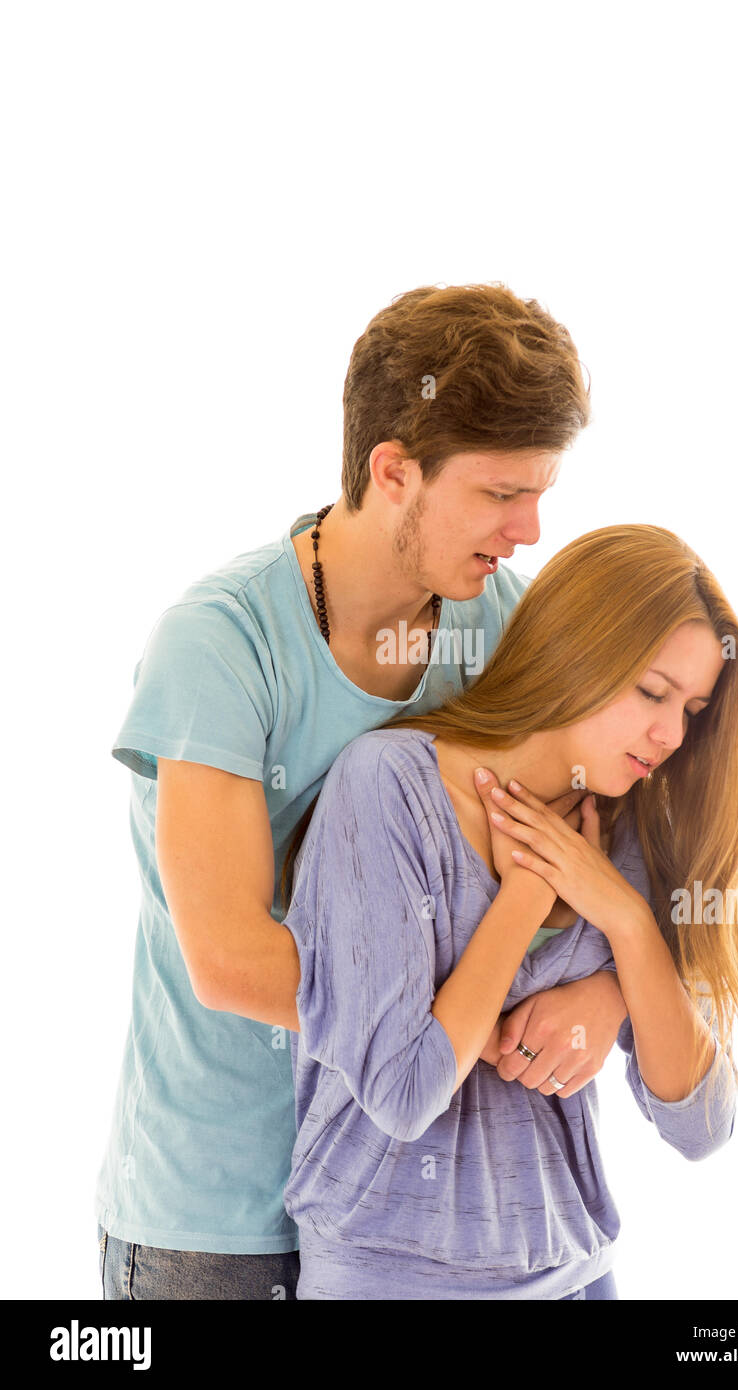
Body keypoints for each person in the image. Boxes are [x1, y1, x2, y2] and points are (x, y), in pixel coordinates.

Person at [95, 281, 624, 1300]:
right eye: (502, 494)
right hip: (220, 1227)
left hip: (406, 1226)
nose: (530, 529)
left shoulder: (504, 631)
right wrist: (434, 1031)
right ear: (393, 471)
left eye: (542, 492)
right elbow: (234, 962)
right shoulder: (220, 644)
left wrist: (605, 996)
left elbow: (600, 871)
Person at [280, 523, 738, 1300]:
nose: (671, 735)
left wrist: (627, 931)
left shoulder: (630, 830)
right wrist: (529, 895)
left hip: (575, 1276)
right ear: (574, 646)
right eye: (652, 692)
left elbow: (701, 1128)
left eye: (693, 710)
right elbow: (402, 1092)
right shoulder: (391, 788)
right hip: (389, 1278)